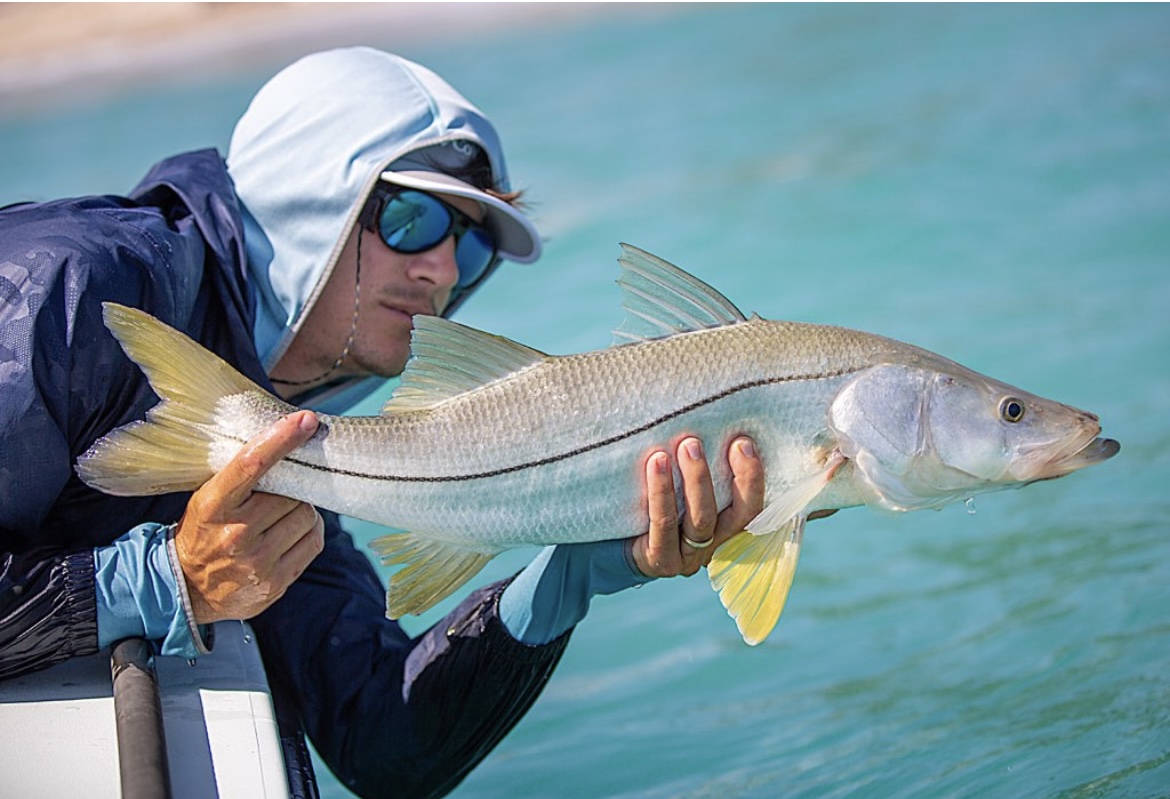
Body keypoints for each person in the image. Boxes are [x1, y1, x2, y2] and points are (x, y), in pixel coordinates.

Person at [0, 48, 765, 797]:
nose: (445, 268)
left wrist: (575, 572)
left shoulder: (287, 457)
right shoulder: (63, 290)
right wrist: (167, 581)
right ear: (310, 204)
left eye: (470, 241)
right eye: (411, 215)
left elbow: (387, 746)